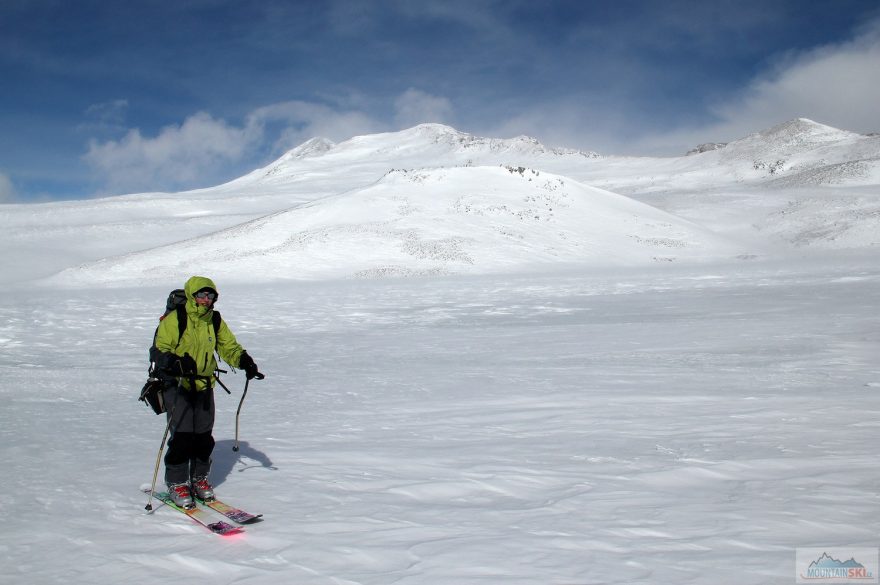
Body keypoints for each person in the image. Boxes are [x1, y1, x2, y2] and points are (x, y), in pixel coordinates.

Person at [152, 275, 260, 509]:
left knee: (202, 436)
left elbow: (228, 346)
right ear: (192, 295)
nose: (205, 299)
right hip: (177, 384)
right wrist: (176, 363)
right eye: (201, 294)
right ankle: (177, 482)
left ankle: (199, 478)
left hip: (203, 384)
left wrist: (245, 361)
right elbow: (160, 349)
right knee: (181, 436)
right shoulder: (176, 319)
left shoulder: (215, 320)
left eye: (210, 295)